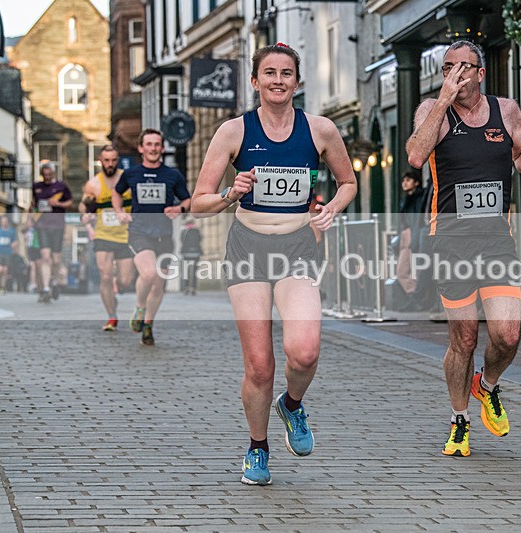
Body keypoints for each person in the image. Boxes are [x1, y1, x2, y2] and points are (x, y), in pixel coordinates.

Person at [191, 42, 357, 486]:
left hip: (298, 249)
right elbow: (197, 203)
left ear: (297, 82)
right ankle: (258, 447)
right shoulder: (233, 132)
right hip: (248, 249)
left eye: (286, 73)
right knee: (260, 365)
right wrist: (230, 193)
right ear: (255, 81)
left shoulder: (320, 130)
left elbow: (348, 182)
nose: (278, 80)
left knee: (305, 351)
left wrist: (333, 208)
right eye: (269, 73)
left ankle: (293, 404)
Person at [405, 40, 521, 458]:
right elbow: (414, 156)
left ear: (481, 74)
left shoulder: (507, 110)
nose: (457, 75)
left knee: (508, 334)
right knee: (463, 339)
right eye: (449, 68)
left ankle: (487, 385)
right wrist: (443, 99)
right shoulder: (433, 109)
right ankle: (459, 419)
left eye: (464, 68)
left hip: (496, 240)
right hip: (449, 241)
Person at [112, 129, 191, 346]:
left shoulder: (172, 175)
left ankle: (148, 325)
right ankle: (139, 307)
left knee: (158, 285)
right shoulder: (131, 174)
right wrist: (119, 212)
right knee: (147, 273)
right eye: (149, 144)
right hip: (139, 231)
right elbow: (117, 193)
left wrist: (179, 209)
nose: (153, 148)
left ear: (162, 148)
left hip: (164, 234)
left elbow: (187, 200)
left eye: (157, 144)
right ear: (141, 148)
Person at [81, 145, 135, 331]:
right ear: (100, 161)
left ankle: (116, 292)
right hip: (103, 235)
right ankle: (112, 317)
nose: (110, 164)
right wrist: (86, 219)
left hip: (126, 235)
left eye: (113, 160)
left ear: (117, 160)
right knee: (105, 276)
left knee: (125, 281)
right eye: (106, 160)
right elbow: (85, 206)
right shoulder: (94, 184)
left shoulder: (127, 178)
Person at [32, 163, 73, 303]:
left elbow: (70, 202)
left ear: (53, 174)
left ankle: (54, 281)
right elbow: (34, 204)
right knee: (45, 257)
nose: (47, 177)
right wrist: (32, 217)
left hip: (57, 225)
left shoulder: (61, 186)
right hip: (42, 225)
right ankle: (45, 289)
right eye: (45, 175)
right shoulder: (36, 186)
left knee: (55, 259)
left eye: (49, 175)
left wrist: (58, 204)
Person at [396, 169, 427, 311]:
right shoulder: (406, 199)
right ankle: (414, 297)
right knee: (402, 271)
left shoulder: (419, 198)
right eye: (403, 180)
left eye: (408, 180)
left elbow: (418, 221)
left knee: (414, 269)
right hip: (406, 236)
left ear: (416, 182)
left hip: (416, 234)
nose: (404, 183)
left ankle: (416, 299)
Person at [0, 216, 17, 292]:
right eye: (2, 222)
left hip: (8, 252)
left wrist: (14, 245)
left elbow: (15, 241)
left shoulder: (12, 231)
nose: (4, 223)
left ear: (7, 222)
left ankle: (2, 286)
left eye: (5, 222)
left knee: (5, 270)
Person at [179, 216, 202, 295]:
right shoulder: (197, 230)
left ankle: (186, 287)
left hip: (186, 253)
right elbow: (200, 239)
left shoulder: (184, 231)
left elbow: (181, 240)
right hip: (196, 253)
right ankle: (193, 288)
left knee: (186, 271)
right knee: (194, 271)